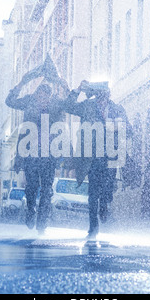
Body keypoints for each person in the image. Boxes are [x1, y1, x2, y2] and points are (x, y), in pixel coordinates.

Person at [65, 80, 132, 240]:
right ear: (97, 94)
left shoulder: (117, 109)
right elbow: (68, 106)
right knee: (93, 192)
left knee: (108, 190)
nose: (104, 96)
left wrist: (118, 128)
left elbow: (129, 131)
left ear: (109, 94)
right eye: (101, 93)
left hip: (110, 157)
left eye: (106, 92)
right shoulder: (87, 106)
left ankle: (104, 207)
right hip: (92, 157)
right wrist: (78, 89)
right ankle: (93, 227)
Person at [5, 80, 70, 234]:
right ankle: (30, 211)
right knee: (31, 187)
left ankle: (42, 220)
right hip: (30, 154)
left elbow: (70, 104)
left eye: (45, 97)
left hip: (49, 155)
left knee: (47, 190)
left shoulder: (56, 107)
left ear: (50, 97)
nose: (42, 100)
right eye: (40, 97)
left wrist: (64, 85)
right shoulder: (29, 103)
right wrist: (20, 84)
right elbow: (10, 101)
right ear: (36, 97)